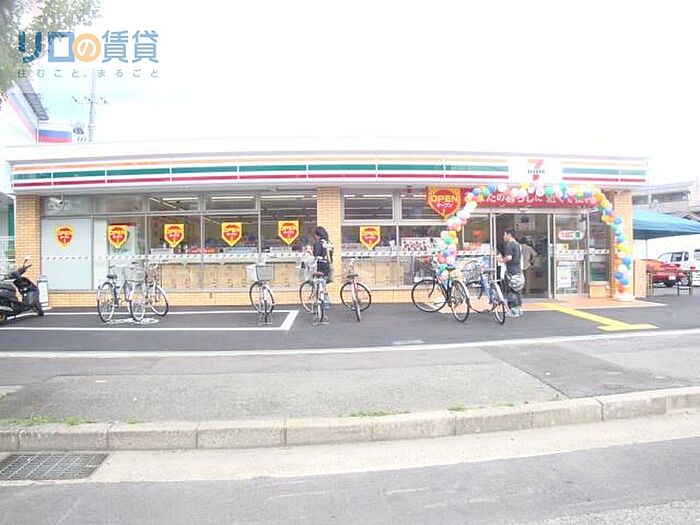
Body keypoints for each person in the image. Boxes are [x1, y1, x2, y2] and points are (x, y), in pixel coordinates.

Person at [498, 228, 524, 317]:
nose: (503, 236)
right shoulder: (518, 245)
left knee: (511, 291)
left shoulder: (509, 245)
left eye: (504, 234)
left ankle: (513, 311)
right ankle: (519, 309)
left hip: (511, 271)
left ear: (509, 235)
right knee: (517, 290)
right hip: (518, 271)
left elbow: (509, 257)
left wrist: (501, 260)